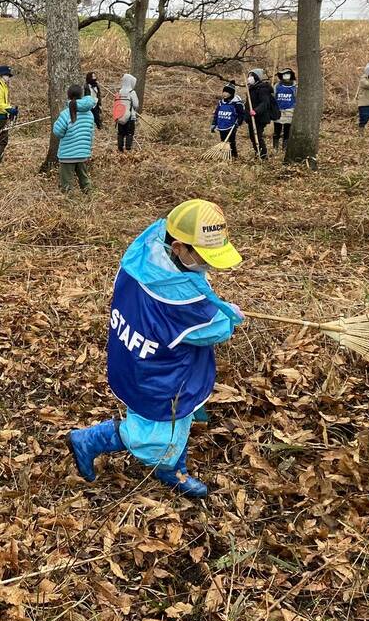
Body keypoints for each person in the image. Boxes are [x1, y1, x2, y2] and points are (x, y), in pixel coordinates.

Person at [66, 199, 244, 497]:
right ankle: (90, 440)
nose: (209, 264)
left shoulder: (145, 253)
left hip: (133, 356)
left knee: (174, 422)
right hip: (160, 375)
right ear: (178, 248)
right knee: (152, 435)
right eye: (205, 257)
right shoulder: (178, 301)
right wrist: (230, 315)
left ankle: (173, 467)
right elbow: (215, 329)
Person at [53, 84, 97, 194]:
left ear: (68, 96)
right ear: (81, 95)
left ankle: (69, 202)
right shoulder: (90, 113)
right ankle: (90, 196)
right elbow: (91, 132)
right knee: (84, 178)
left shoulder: (66, 113)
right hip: (83, 153)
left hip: (67, 154)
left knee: (67, 183)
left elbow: (58, 132)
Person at [245, 69, 275, 159]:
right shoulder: (251, 88)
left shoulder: (262, 88)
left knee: (257, 136)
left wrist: (256, 111)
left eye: (252, 76)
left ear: (256, 77)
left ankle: (263, 156)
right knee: (252, 137)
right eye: (249, 76)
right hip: (252, 117)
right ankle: (258, 153)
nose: (249, 78)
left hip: (259, 117)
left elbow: (265, 103)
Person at [210, 83, 244, 158]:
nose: (225, 94)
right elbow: (216, 114)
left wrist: (238, 122)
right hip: (222, 124)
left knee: (231, 142)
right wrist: (214, 124)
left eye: (227, 92)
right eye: (224, 92)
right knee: (223, 141)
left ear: (231, 94)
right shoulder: (221, 103)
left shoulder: (237, 103)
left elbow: (241, 114)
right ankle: (225, 155)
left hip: (231, 125)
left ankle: (234, 156)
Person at [272, 69, 297, 151]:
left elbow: (297, 98)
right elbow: (273, 96)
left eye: (287, 74)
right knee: (277, 131)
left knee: (287, 131)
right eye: (284, 74)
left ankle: (285, 147)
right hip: (278, 110)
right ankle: (275, 148)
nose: (286, 75)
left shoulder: (295, 86)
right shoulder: (277, 86)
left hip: (290, 110)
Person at [114, 73, 139, 152]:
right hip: (130, 116)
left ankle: (120, 148)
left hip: (120, 116)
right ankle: (128, 149)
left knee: (120, 133)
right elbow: (136, 104)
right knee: (129, 133)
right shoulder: (132, 92)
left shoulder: (120, 92)